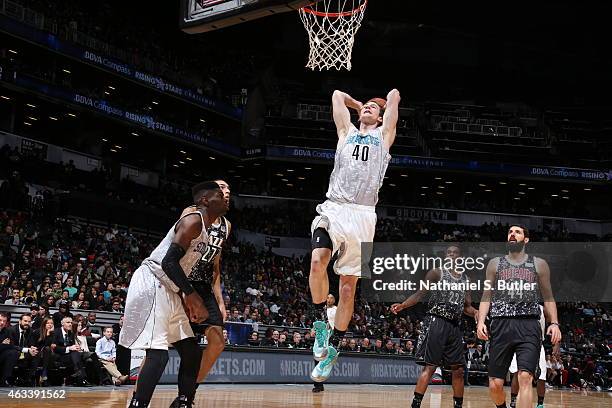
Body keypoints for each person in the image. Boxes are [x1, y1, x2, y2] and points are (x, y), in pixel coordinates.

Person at [309, 88, 400, 383]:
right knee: (317, 260)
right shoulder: (346, 131)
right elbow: (336, 94)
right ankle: (321, 325)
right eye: (366, 108)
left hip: (363, 215)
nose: (369, 109)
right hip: (335, 207)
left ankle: (334, 349)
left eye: (375, 108)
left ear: (382, 116)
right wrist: (359, 103)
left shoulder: (383, 137)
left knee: (348, 289)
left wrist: (383, 103)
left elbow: (396, 94)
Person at [119, 181, 228, 408]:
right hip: (153, 281)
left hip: (171, 287)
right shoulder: (193, 220)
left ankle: (183, 402)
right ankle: (138, 404)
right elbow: (168, 262)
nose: (225, 196)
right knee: (158, 355)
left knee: (191, 352)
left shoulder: (209, 233)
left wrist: (189, 295)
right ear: (205, 200)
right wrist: (192, 296)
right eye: (219, 194)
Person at [477, 225, 562, 408]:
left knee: (525, 377)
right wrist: (481, 321)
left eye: (517, 232)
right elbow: (486, 295)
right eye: (510, 232)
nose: (512, 234)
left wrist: (554, 323)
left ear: (526, 239)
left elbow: (548, 297)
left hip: (528, 324)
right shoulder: (495, 263)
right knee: (495, 385)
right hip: (500, 323)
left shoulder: (538, 264)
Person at [391, 245, 478, 408]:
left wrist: (477, 313)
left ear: (461, 257)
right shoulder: (436, 273)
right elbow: (420, 294)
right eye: (449, 252)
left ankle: (458, 405)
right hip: (436, 321)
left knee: (458, 370)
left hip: (455, 326)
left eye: (455, 252)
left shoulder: (466, 279)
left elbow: (466, 306)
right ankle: (415, 404)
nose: (451, 254)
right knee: (430, 367)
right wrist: (403, 305)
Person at [509, 305, 548, 408]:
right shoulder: (516, 306)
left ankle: (540, 404)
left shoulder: (543, 308)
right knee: (518, 373)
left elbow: (553, 321)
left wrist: (557, 343)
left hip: (538, 343)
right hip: (518, 342)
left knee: (542, 376)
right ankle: (513, 400)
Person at [313, 293, 337, 393]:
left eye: (331, 297)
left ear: (334, 300)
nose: (329, 299)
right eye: (327, 297)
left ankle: (320, 383)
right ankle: (318, 385)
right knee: (317, 359)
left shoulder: (336, 310)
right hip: (320, 337)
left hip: (330, 335)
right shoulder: (322, 309)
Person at [7, 313, 39, 385]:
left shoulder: (30, 331)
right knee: (19, 355)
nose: (27, 323)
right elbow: (11, 346)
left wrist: (32, 348)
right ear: (20, 321)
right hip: (14, 353)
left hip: (24, 354)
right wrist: (27, 350)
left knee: (36, 354)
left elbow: (31, 344)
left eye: (29, 322)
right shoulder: (11, 330)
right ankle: (17, 378)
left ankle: (28, 378)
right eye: (25, 321)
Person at [0, 312, 19, 386]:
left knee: (13, 352)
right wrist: (3, 344)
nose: (2, 323)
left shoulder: (7, 331)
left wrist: (2, 345)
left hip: (2, 355)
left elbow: (11, 345)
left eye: (4, 321)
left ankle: (4, 379)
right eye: (0, 320)